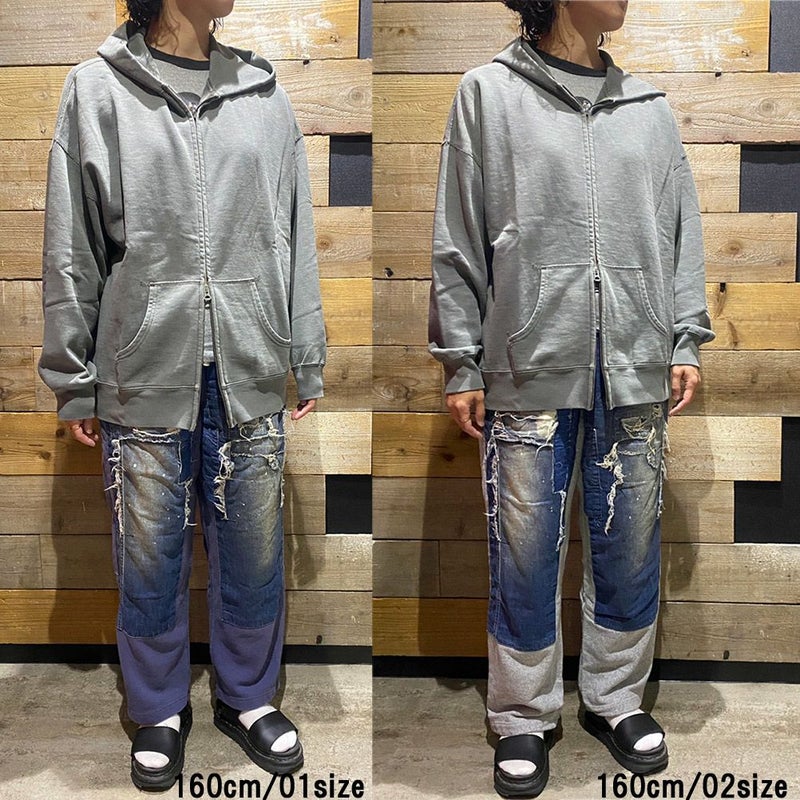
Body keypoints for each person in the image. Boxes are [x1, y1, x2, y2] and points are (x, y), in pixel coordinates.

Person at [37, 0, 326, 791]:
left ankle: (248, 696)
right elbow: (72, 246)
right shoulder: (97, 90)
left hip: (250, 366)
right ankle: (158, 706)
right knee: (149, 557)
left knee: (253, 555)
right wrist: (73, 378)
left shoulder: (263, 94)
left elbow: (295, 231)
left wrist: (305, 352)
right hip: (141, 371)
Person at [428, 0, 714, 796]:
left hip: (634, 365)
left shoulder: (648, 107)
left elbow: (680, 228)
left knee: (628, 544)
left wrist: (683, 337)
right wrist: (461, 361)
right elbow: (458, 236)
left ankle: (616, 697)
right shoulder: (488, 94)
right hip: (528, 363)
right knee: (523, 551)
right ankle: (522, 713)